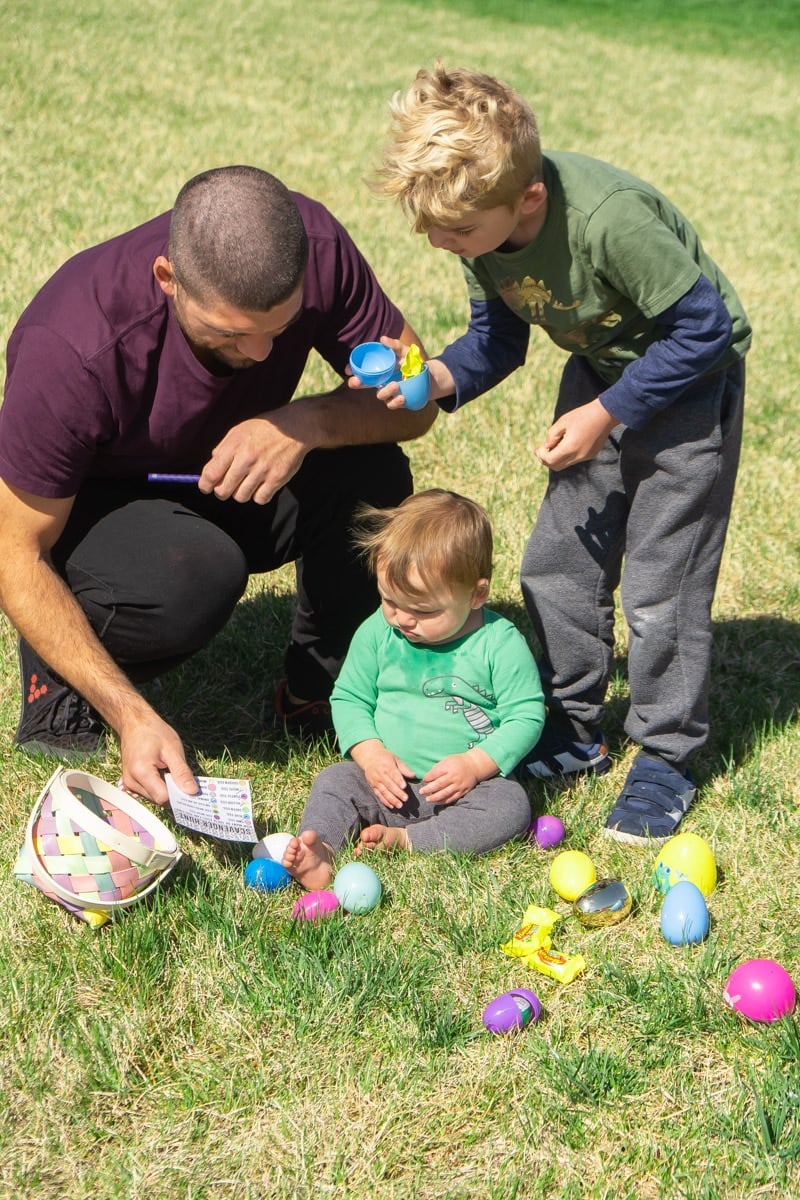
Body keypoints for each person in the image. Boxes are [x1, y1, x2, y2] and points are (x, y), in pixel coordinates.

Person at [367, 63, 751, 846]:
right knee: (556, 564)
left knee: (660, 582)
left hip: (688, 387)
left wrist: (607, 414)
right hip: (601, 378)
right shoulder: (482, 225)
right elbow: (495, 339)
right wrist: (433, 380)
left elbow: (703, 328)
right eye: (431, 228)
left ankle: (669, 755)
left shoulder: (611, 221)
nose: (437, 241)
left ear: (528, 198)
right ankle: (573, 727)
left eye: (455, 231)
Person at [0, 165, 436, 805]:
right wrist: (130, 713)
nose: (261, 355)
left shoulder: (315, 247)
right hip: (96, 510)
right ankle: (59, 682)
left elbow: (416, 403)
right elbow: (16, 554)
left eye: (280, 328)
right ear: (168, 279)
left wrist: (303, 421)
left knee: (373, 473)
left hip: (228, 468)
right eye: (232, 333)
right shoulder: (70, 345)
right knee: (198, 575)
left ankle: (319, 686)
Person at [281, 489, 545, 890]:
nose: (402, 618)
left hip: (465, 790)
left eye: (423, 610)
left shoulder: (499, 642)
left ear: (477, 593)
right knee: (335, 781)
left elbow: (526, 713)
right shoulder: (378, 631)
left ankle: (409, 840)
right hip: (386, 783)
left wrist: (476, 765)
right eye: (389, 600)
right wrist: (370, 755)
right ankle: (322, 853)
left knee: (510, 805)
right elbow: (350, 697)